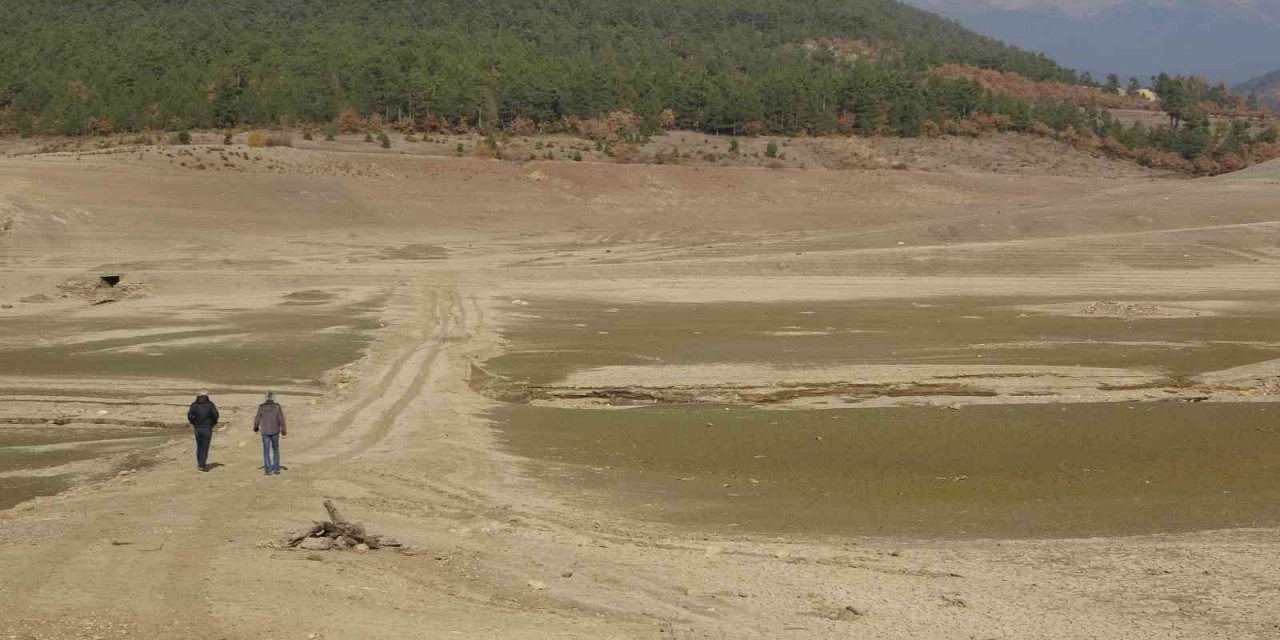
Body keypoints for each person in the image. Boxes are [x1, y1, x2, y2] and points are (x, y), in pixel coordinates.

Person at [254, 391, 287, 476]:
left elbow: (257, 419)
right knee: (275, 450)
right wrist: (283, 430)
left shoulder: (261, 407)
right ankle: (276, 469)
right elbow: (281, 419)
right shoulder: (277, 407)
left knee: (266, 451)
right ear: (273, 397)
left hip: (265, 432)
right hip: (275, 431)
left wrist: (255, 427)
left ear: (266, 397)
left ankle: (268, 470)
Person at [187, 390, 219, 472]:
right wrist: (213, 423)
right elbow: (215, 415)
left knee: (199, 446)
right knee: (205, 446)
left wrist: (194, 423)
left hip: (197, 428)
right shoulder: (210, 405)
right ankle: (202, 465)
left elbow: (190, 415)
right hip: (207, 427)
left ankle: (200, 463)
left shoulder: (194, 405)